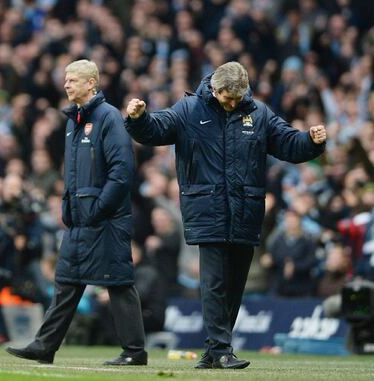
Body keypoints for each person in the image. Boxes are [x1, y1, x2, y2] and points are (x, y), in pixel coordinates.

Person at [125, 61, 327, 369]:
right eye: (226, 97)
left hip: (246, 211)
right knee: (215, 283)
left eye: (237, 98)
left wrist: (311, 141)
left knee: (233, 286)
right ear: (215, 88)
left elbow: (287, 143)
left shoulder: (258, 114)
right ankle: (221, 349)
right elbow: (157, 129)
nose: (232, 103)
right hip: (207, 209)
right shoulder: (189, 109)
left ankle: (213, 352)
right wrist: (138, 119)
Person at [6, 59, 147, 366]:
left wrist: (98, 209)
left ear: (91, 84)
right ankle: (45, 346)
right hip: (77, 221)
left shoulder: (109, 117)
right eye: (66, 79)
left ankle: (135, 352)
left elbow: (122, 172)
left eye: (72, 79)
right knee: (66, 283)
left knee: (118, 282)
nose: (66, 84)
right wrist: (69, 210)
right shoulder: (73, 122)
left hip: (105, 220)